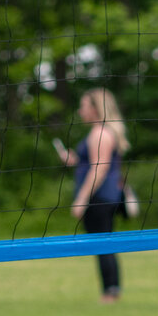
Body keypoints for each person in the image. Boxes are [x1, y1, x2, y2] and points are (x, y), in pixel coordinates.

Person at [57, 88, 129, 303]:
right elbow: (94, 163)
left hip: (99, 199)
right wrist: (76, 160)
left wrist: (82, 199)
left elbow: (100, 168)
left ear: (96, 109)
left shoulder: (100, 133)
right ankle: (110, 290)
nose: (80, 111)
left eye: (84, 106)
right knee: (103, 242)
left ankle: (111, 292)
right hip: (103, 197)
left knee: (102, 243)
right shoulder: (102, 132)